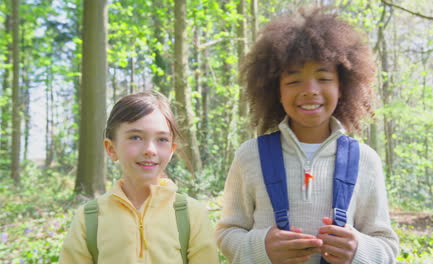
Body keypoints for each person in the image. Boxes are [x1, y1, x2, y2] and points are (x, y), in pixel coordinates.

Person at [215, 7, 399, 264]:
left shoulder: (365, 160)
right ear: (275, 92)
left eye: (323, 78)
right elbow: (226, 234)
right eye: (293, 81)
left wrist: (358, 249)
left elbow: (386, 244)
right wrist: (261, 248)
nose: (310, 91)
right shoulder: (250, 156)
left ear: (342, 87)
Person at [60, 91, 218, 264]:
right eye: (135, 137)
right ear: (111, 148)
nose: (150, 149)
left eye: (162, 139)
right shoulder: (89, 218)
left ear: (172, 150)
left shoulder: (191, 215)